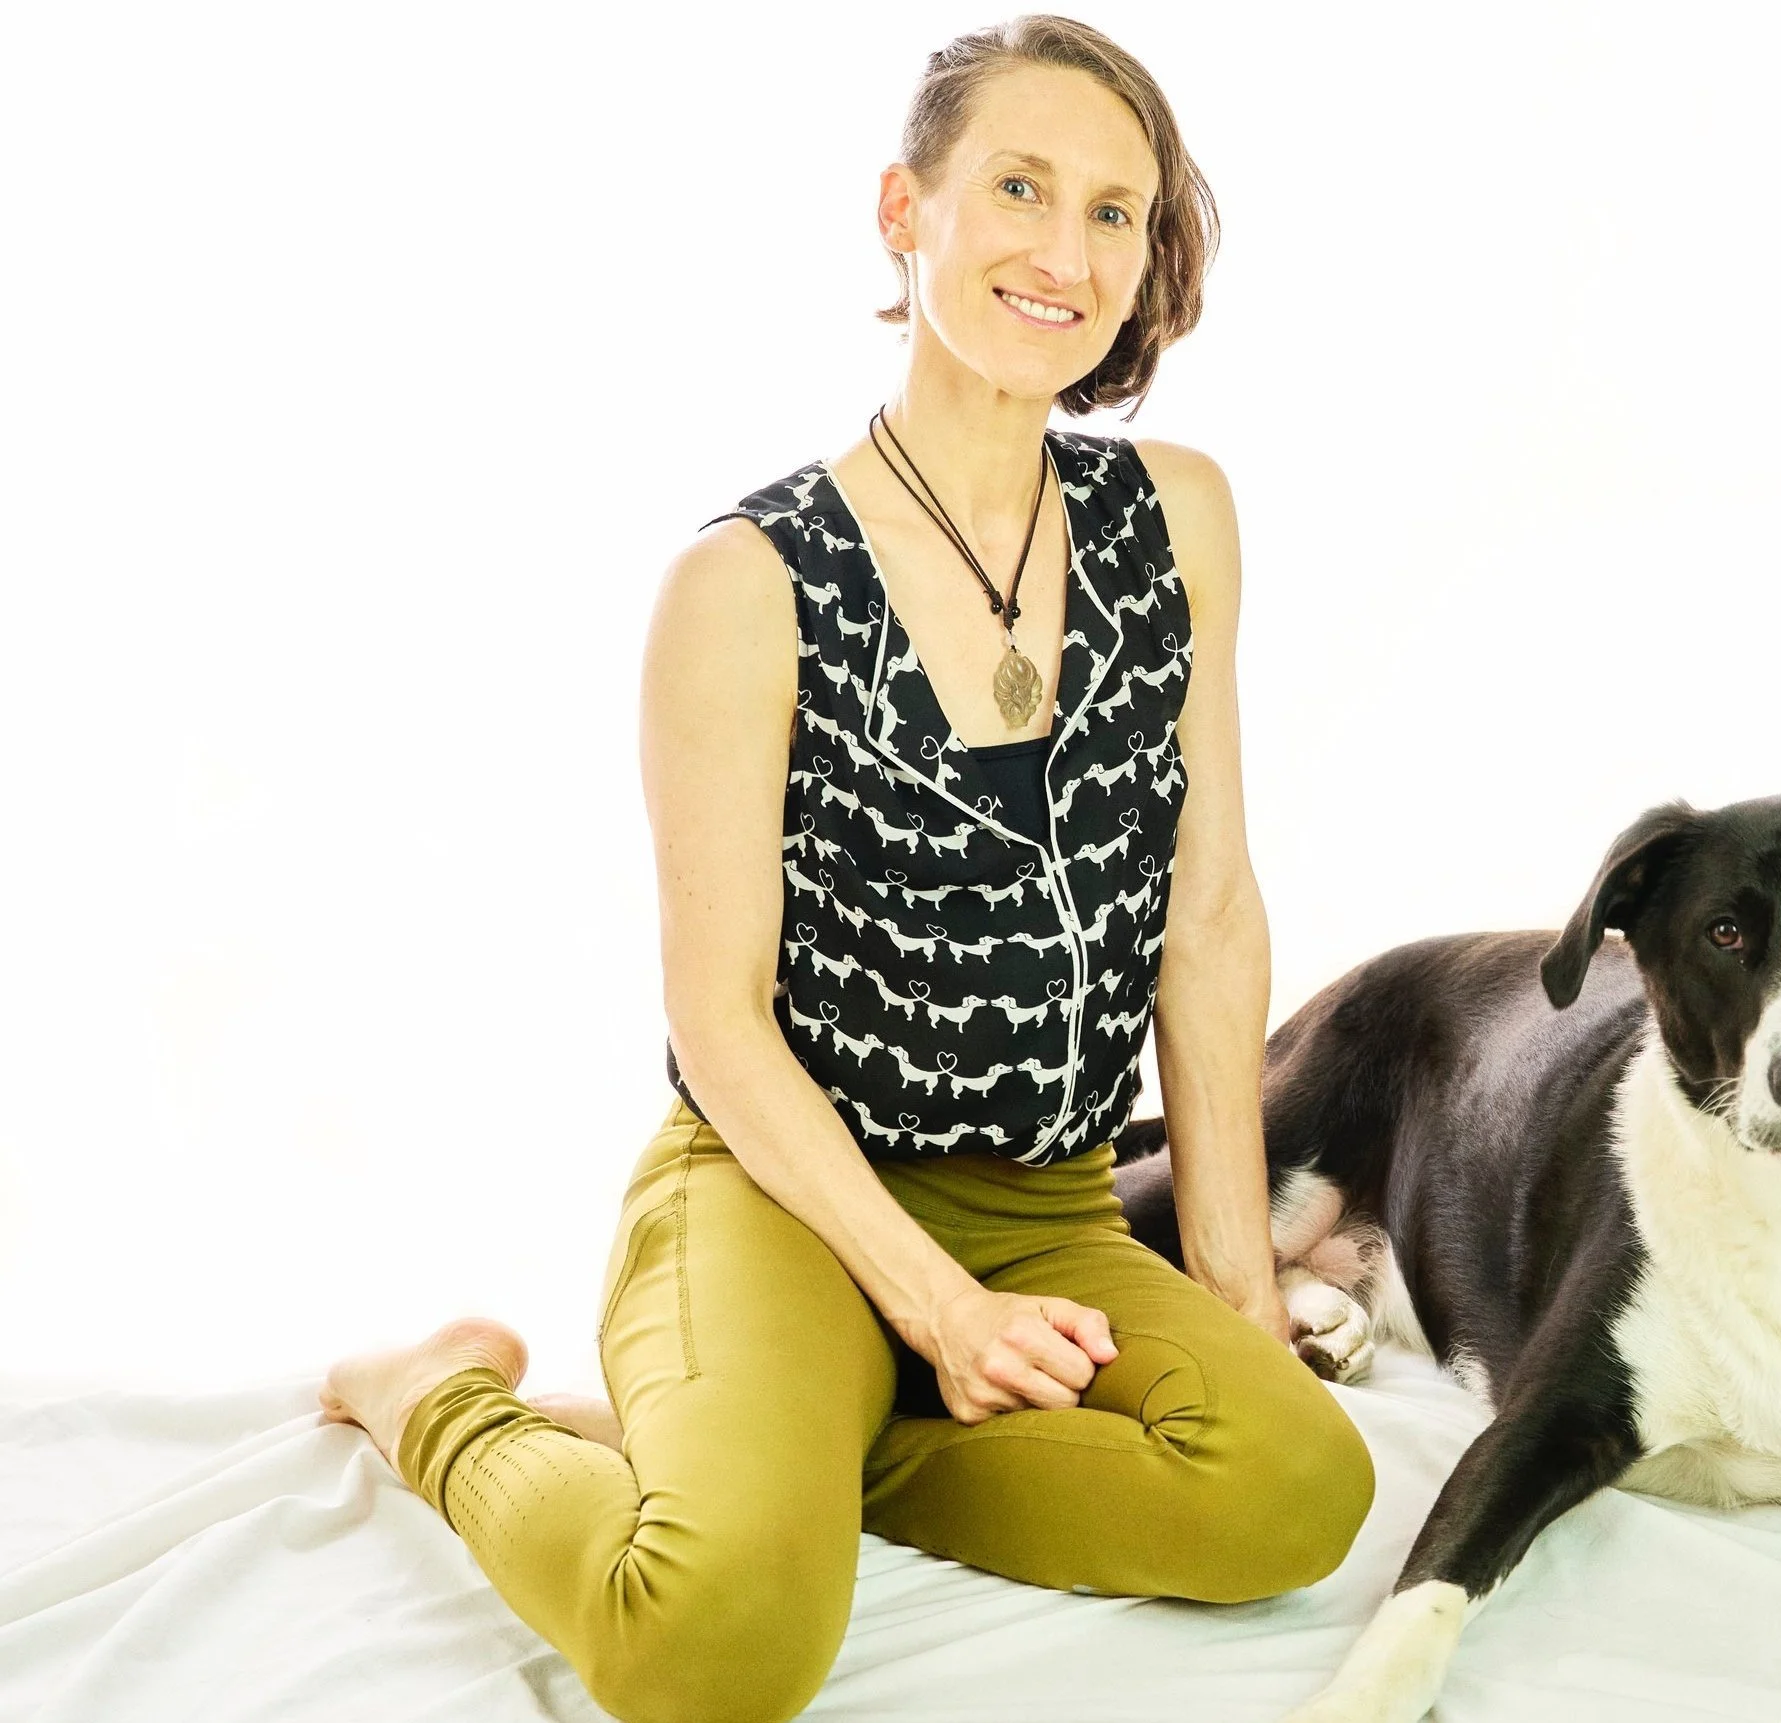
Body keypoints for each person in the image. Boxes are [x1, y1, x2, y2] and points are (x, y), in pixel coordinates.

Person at [316, 16, 1375, 1722]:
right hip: (778, 1186)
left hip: (1042, 1202)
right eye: (1018, 188)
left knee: (1297, 1491)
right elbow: (718, 1022)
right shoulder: (744, 583)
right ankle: (440, 1399)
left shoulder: (1179, 518)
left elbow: (1211, 911)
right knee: (717, 1645)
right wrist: (940, 1309)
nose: (1067, 250)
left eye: (1117, 211)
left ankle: (823, 1443)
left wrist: (1235, 1289)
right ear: (907, 209)